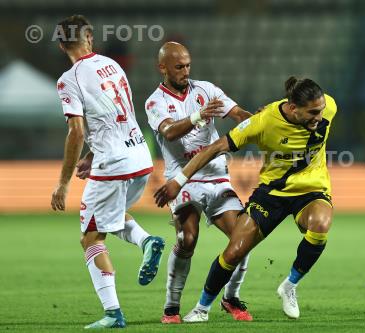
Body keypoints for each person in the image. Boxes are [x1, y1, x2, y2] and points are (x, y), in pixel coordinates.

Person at [154, 76, 337, 321]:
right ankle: (202, 308)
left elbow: (315, 107)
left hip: (311, 189)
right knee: (235, 251)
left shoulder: (329, 106)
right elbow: (215, 148)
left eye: (321, 110)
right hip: (272, 194)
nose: (319, 116)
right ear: (293, 108)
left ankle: (290, 286)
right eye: (313, 112)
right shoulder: (263, 122)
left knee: (321, 225)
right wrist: (178, 181)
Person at [50, 15, 165, 329]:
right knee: (110, 216)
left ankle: (113, 313)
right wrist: (92, 154)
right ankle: (146, 241)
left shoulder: (68, 80)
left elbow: (76, 131)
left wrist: (62, 183)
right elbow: (118, 114)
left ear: (61, 45)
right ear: (89, 36)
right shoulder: (113, 66)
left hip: (113, 164)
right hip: (140, 156)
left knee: (90, 238)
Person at [145, 42, 254, 324]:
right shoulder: (154, 101)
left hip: (217, 176)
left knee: (243, 239)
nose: (185, 71)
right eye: (179, 67)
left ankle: (230, 297)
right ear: (163, 68)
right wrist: (198, 116)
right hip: (182, 179)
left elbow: (239, 115)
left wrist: (262, 121)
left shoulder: (206, 90)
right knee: (187, 238)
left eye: (188, 65)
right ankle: (171, 307)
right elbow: (169, 132)